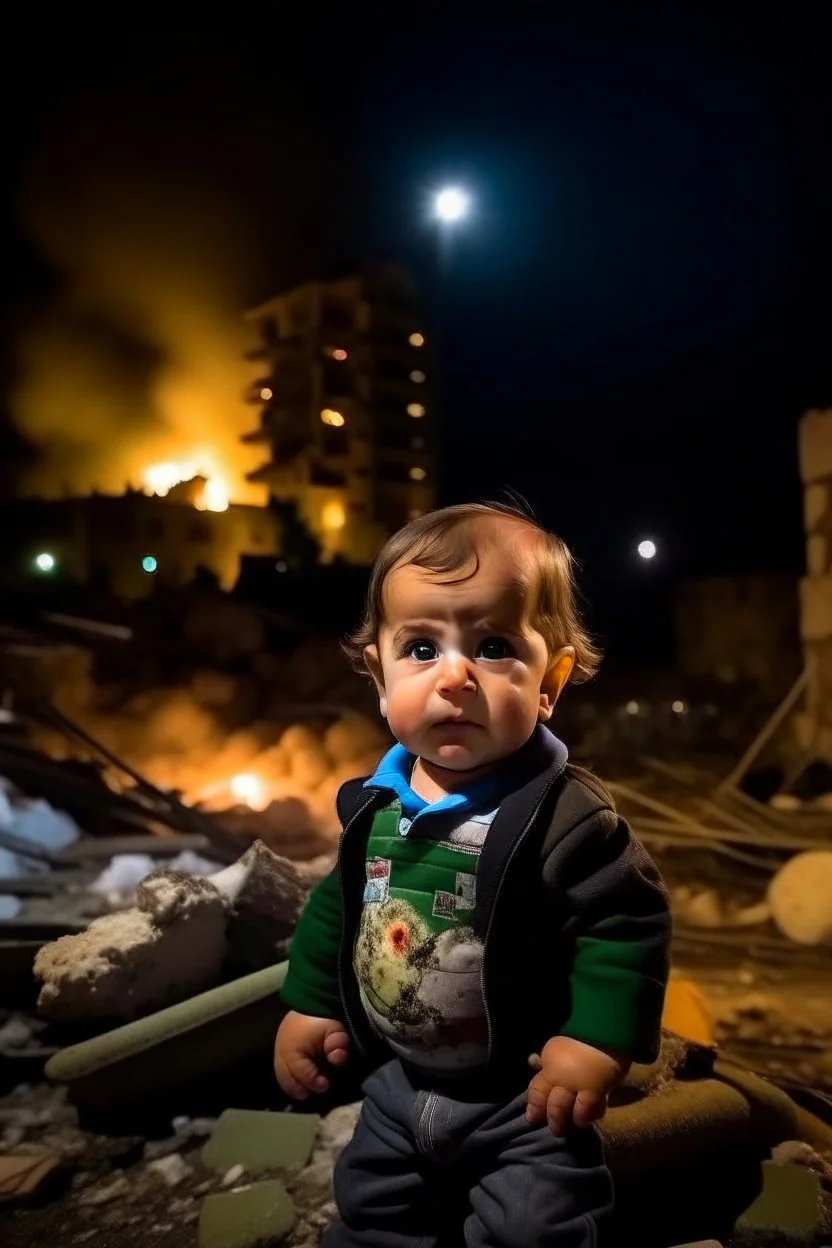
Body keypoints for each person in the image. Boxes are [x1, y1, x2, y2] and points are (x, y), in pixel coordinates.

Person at [274, 500, 671, 1247]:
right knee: (371, 1209)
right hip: (399, 1084)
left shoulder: (563, 818)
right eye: (421, 649)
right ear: (380, 678)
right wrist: (309, 1002)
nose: (454, 677)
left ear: (548, 681)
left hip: (523, 1099)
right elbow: (340, 904)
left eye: (492, 647)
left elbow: (627, 923)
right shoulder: (377, 805)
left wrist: (594, 1043)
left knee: (534, 1224)